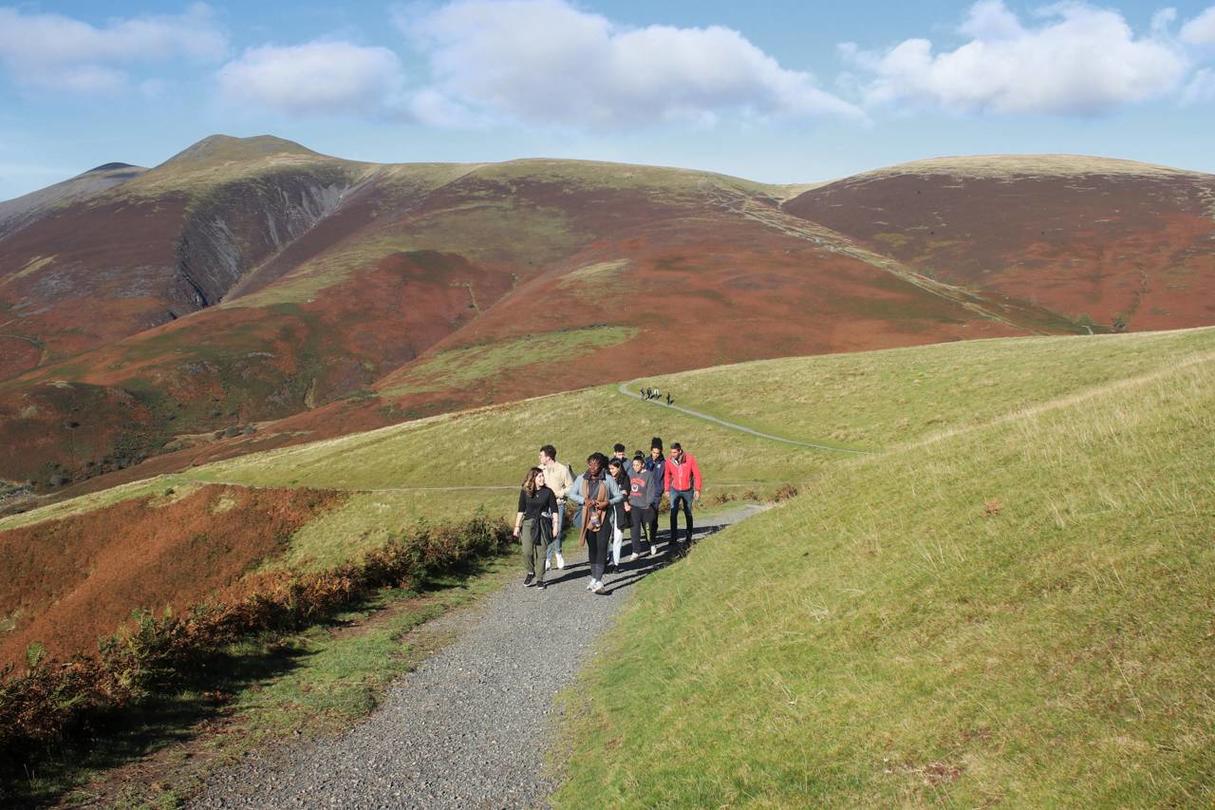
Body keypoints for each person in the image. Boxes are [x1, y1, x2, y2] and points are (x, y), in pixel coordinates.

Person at [567, 452, 624, 594]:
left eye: (596, 464)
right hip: (588, 518)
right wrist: (583, 501)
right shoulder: (581, 478)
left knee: (602, 547)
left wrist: (607, 503)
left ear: (601, 465)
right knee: (592, 548)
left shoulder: (608, 479)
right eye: (590, 464)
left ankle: (599, 580)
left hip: (604, 518)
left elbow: (619, 496)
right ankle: (593, 577)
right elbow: (571, 494)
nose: (592, 467)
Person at [513, 467, 559, 589]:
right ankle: (530, 571)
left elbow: (554, 510)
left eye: (543, 476)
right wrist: (517, 526)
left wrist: (555, 526)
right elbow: (521, 510)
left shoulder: (548, 492)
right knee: (526, 551)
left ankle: (540, 578)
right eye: (539, 476)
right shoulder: (525, 492)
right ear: (533, 478)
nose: (542, 478)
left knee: (541, 553)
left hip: (543, 524)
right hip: (528, 523)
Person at [538, 444, 574, 570]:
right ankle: (548, 558)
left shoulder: (562, 469)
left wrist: (559, 493)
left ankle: (558, 554)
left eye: (541, 455)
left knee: (557, 531)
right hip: (543, 506)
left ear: (548, 457)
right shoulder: (539, 469)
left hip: (558, 504)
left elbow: (570, 486)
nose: (539, 457)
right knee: (547, 532)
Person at [663, 441, 702, 553]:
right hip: (674, 489)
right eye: (671, 452)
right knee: (673, 512)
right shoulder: (669, 460)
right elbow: (667, 475)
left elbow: (697, 475)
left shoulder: (690, 459)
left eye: (674, 452)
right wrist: (666, 489)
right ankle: (673, 537)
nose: (672, 454)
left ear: (680, 451)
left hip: (688, 490)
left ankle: (688, 537)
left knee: (688, 513)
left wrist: (697, 490)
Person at [625, 452, 657, 561]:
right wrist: (627, 500)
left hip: (646, 507)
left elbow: (651, 491)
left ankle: (652, 543)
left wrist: (648, 503)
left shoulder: (648, 475)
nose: (635, 467)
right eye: (633, 465)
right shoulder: (630, 474)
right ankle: (635, 551)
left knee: (648, 528)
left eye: (637, 465)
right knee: (634, 529)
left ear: (642, 464)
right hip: (634, 506)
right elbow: (627, 487)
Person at [644, 437, 666, 555]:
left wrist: (661, 490)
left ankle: (652, 541)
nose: (655, 455)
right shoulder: (646, 461)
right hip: (644, 494)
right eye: (654, 452)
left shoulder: (663, 463)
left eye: (658, 453)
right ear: (651, 451)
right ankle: (648, 539)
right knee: (644, 519)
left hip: (656, 495)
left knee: (653, 518)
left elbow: (665, 478)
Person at [607, 458, 629, 570]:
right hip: (608, 511)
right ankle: (606, 558)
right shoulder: (606, 479)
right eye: (609, 468)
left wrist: (620, 494)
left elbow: (626, 492)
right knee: (606, 536)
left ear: (619, 468)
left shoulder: (624, 478)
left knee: (618, 538)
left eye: (613, 468)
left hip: (620, 511)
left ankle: (616, 563)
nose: (611, 471)